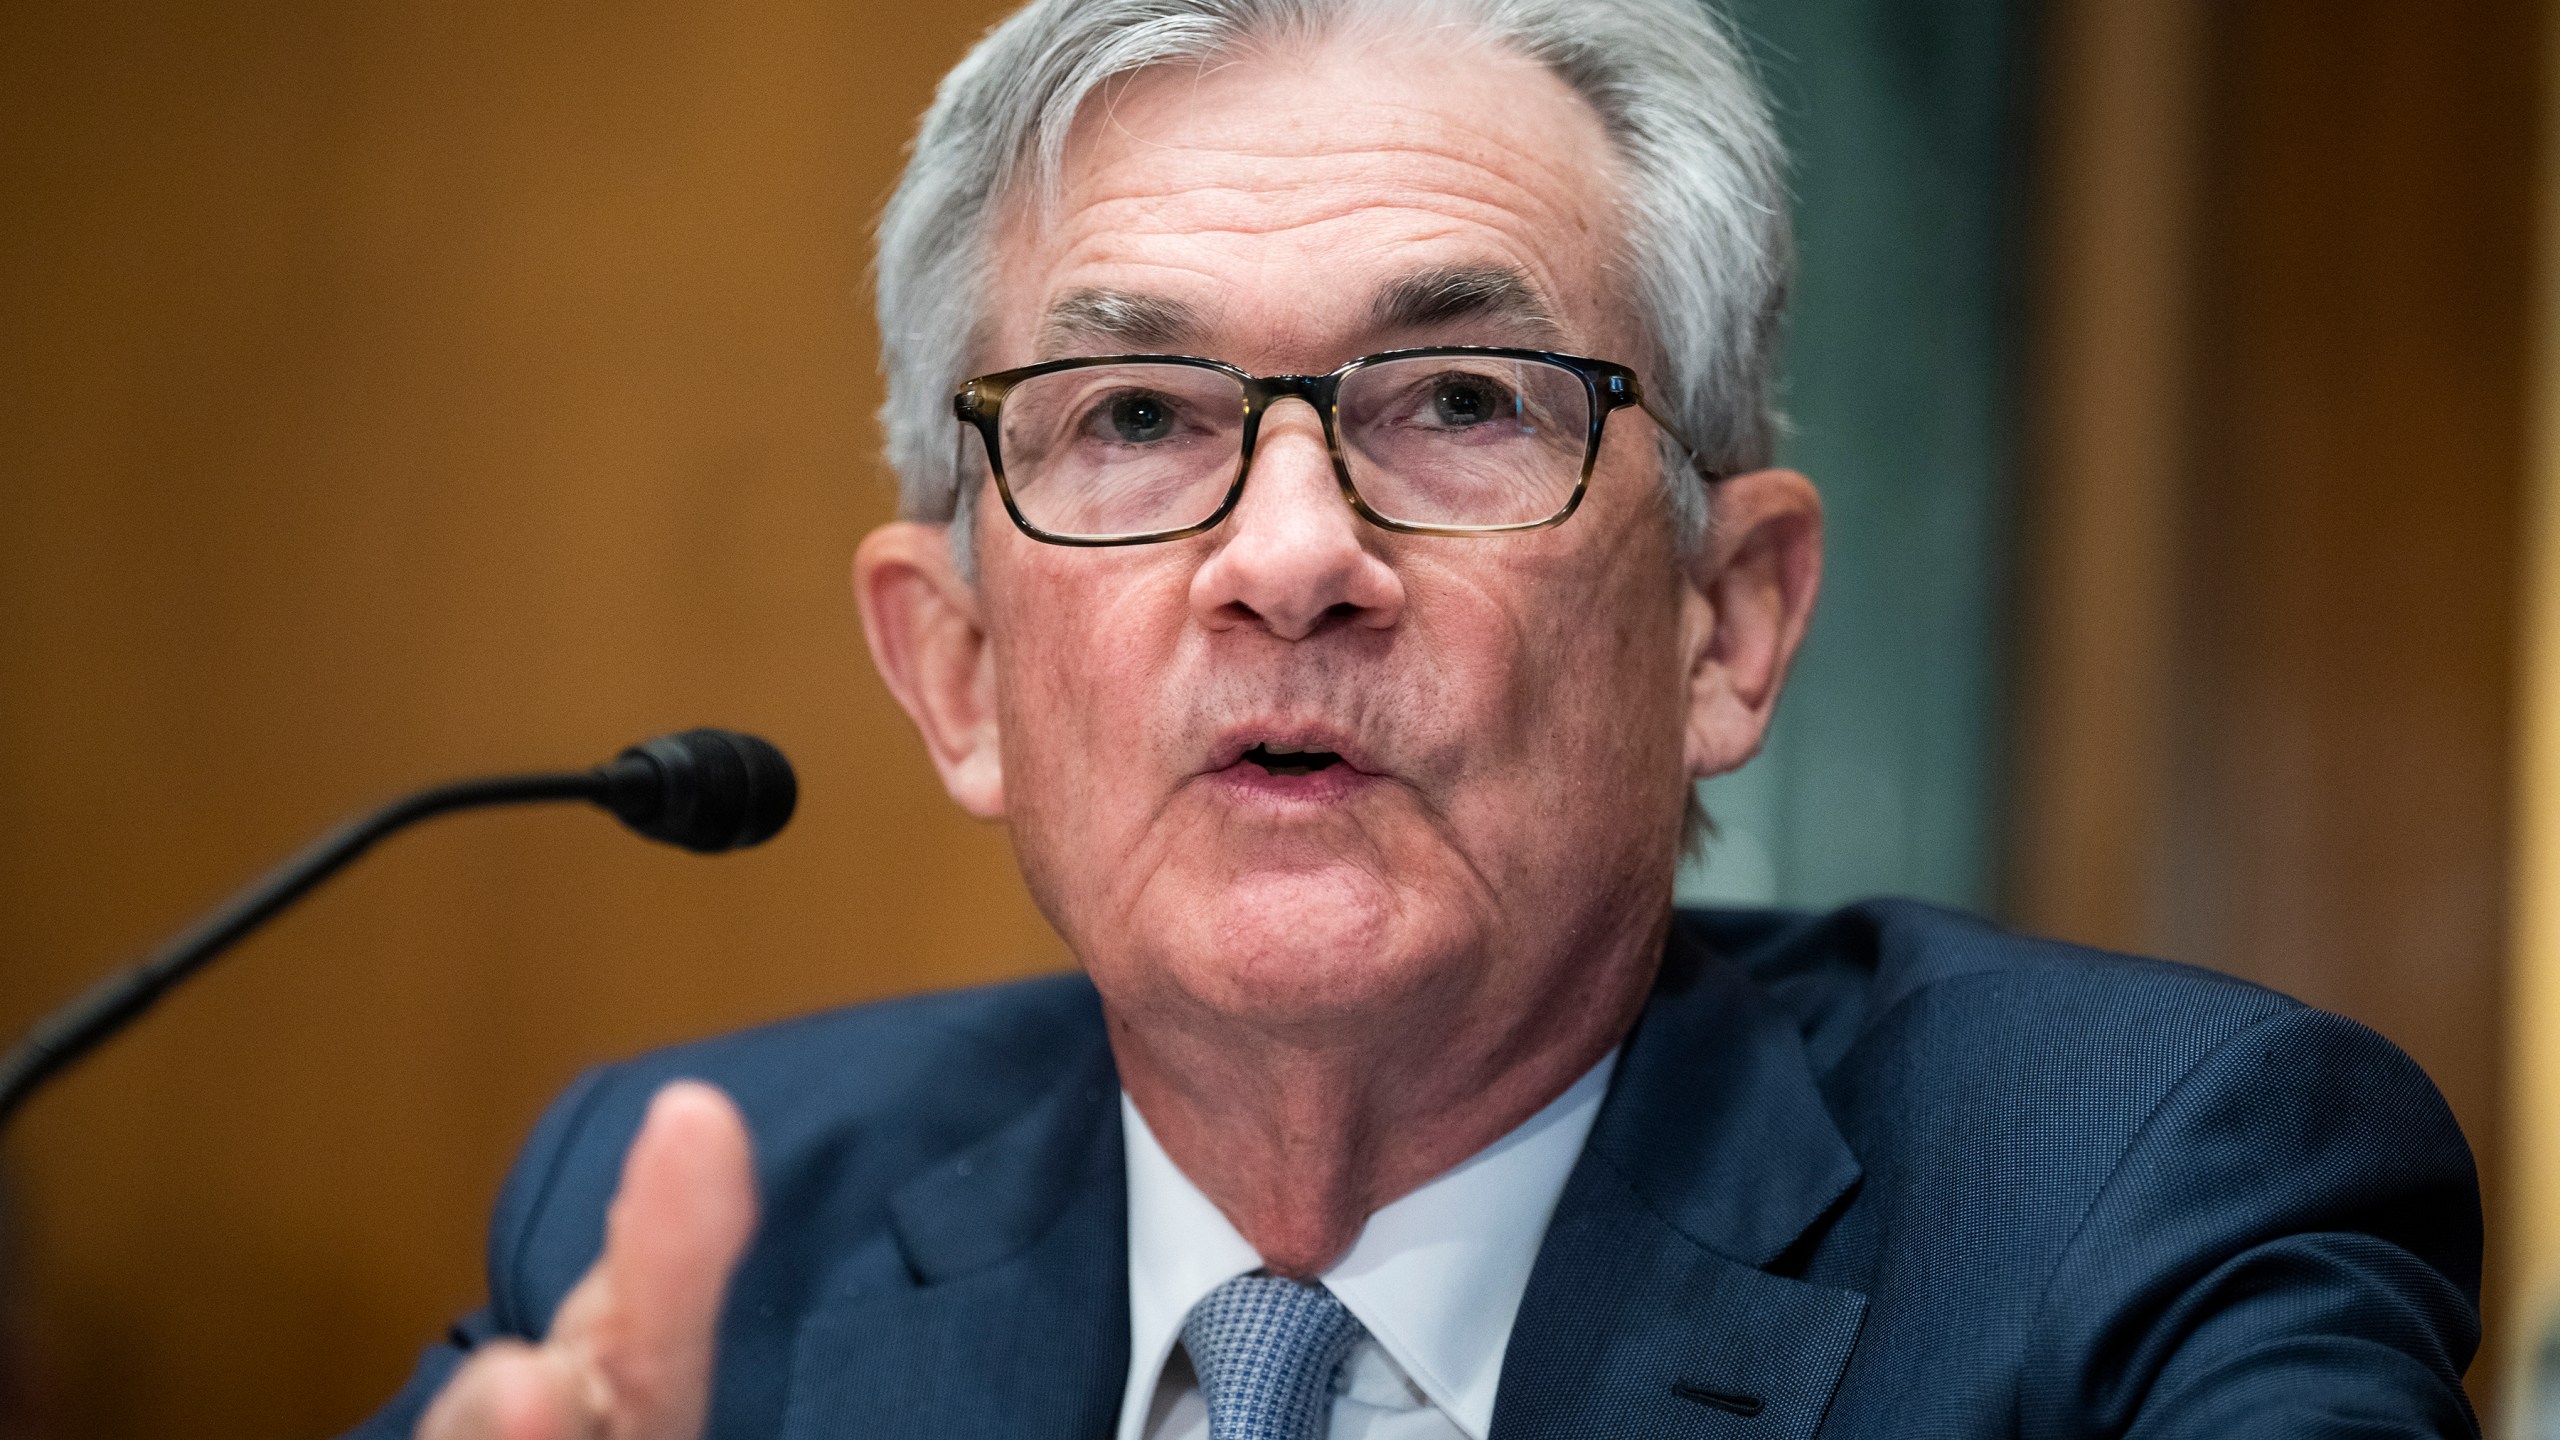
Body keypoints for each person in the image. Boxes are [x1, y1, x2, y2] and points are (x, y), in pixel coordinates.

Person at [350, 1, 2485, 1436]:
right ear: (958, 672)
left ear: (1720, 627)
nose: (1287, 554)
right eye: (1133, 417)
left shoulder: (2143, 1214)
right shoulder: (681, 1253)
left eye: (1460, 401)